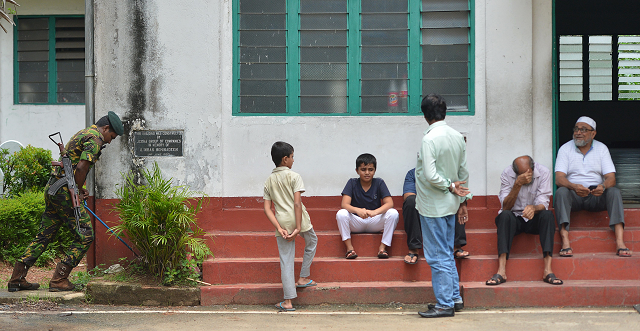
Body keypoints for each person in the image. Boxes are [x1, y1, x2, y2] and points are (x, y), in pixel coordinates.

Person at [7, 112, 123, 292]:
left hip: (54, 188)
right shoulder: (95, 139)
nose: (109, 141)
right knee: (85, 235)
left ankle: (17, 278)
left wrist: (79, 186)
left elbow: (75, 166)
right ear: (106, 128)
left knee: (44, 235)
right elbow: (83, 166)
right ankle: (59, 279)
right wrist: (75, 190)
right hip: (64, 192)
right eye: (112, 137)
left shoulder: (83, 133)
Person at [415, 94, 470, 318]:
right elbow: (463, 173)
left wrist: (448, 186)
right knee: (446, 252)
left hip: (433, 205)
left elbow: (430, 175)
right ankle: (454, 298)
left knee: (438, 256)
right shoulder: (457, 136)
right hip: (450, 203)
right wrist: (462, 200)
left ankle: (445, 304)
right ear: (445, 112)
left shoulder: (429, 139)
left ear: (425, 115)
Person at [554, 116, 630, 257]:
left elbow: (611, 178)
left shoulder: (602, 149)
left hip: (596, 195)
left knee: (614, 191)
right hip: (574, 195)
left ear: (593, 133)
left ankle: (620, 242)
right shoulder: (565, 149)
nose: (578, 133)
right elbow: (559, 178)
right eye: (576, 129)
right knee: (561, 192)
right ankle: (565, 241)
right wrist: (574, 186)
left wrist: (602, 186)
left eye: (583, 130)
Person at [485, 156, 562, 286]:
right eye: (522, 174)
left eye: (529, 172)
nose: (527, 176)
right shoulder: (507, 173)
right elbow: (506, 207)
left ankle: (547, 270)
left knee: (548, 215)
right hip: (514, 219)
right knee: (504, 216)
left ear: (533, 167)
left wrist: (534, 208)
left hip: (533, 218)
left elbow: (544, 201)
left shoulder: (543, 172)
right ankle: (501, 271)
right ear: (515, 172)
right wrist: (517, 184)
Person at [263, 141, 318, 312]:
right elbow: (297, 203)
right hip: (299, 219)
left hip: (282, 222)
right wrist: (299, 227)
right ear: (285, 159)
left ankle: (287, 302)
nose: (293, 160)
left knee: (286, 260)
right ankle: (302, 277)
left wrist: (279, 228)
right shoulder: (294, 176)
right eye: (292, 157)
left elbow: (267, 208)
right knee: (312, 241)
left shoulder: (269, 180)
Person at [336, 153, 399, 259]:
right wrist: (358, 210)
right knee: (341, 214)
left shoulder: (379, 182)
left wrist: (375, 212)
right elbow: (344, 204)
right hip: (357, 221)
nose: (367, 173)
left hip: (375, 221)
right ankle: (349, 249)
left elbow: (389, 203)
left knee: (393, 213)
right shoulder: (352, 183)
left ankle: (383, 248)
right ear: (357, 171)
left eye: (370, 169)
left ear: (375, 170)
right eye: (363, 169)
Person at [403, 168, 469, 264]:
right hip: (423, 206)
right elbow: (408, 195)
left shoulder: (446, 172)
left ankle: (457, 247)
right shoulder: (413, 173)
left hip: (442, 205)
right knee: (410, 201)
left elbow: (457, 190)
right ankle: (414, 249)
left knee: (457, 199)